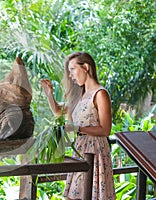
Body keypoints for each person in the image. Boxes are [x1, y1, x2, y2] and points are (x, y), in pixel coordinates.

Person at [40, 52, 116, 200]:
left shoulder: (100, 94)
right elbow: (58, 110)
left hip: (95, 150)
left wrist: (77, 128)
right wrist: (49, 94)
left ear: (86, 67)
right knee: (75, 194)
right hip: (80, 149)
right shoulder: (82, 95)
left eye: (72, 69)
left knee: (90, 194)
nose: (70, 75)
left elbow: (105, 129)